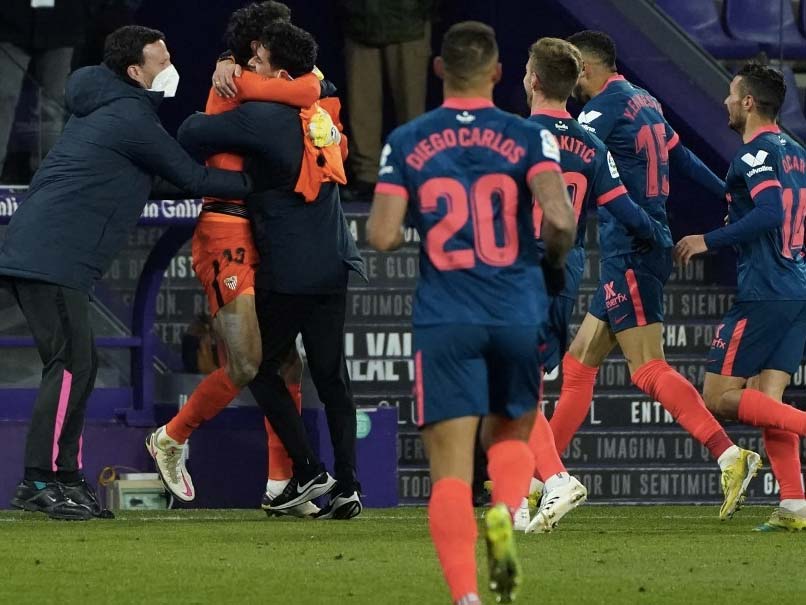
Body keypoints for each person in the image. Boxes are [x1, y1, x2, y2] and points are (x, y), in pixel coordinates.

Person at [0, 25, 253, 521]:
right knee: (72, 365)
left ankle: (64, 478)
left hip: (49, 253)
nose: (171, 66)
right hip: (50, 256)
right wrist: (265, 185)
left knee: (79, 365)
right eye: (161, 60)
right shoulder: (130, 115)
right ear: (135, 72)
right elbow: (192, 177)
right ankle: (38, 480)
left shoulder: (109, 105)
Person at [368, 21, 576, 605]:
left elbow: (382, 235)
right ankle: (506, 511)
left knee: (451, 471)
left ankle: (466, 598)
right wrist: (551, 268)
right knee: (512, 431)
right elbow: (559, 220)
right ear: (498, 73)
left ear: (439, 71)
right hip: (516, 308)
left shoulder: (408, 139)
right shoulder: (530, 136)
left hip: (446, 316)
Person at [543, 30, 761, 520]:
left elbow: (573, 162)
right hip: (640, 245)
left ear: (585, 69)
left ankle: (729, 455)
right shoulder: (645, 99)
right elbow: (681, 158)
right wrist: (730, 194)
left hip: (633, 247)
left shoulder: (598, 111)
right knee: (579, 364)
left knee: (647, 367)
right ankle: (545, 476)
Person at [145, 0, 343, 519]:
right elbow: (307, 88)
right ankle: (171, 436)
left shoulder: (267, 79)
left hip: (255, 227)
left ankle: (282, 484)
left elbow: (313, 85)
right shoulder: (232, 83)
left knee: (283, 359)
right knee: (248, 360)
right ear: (258, 48)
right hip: (224, 228)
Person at [519, 37, 666, 533]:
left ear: (534, 80)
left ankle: (555, 479)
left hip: (521, 270)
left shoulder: (516, 138)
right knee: (528, 383)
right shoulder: (592, 144)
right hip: (568, 270)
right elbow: (623, 205)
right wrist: (658, 235)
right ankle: (521, 498)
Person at [676, 63, 806, 532]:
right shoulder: (795, 153)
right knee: (768, 399)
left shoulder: (754, 155)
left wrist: (708, 239)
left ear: (749, 101)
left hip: (765, 292)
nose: (726, 101)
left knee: (719, 395)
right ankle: (794, 506)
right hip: (796, 287)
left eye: (732, 94)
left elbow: (770, 212)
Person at [338, 0, 434, 199]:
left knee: (412, 110)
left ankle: (413, 173)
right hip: (360, 21)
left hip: (410, 22)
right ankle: (366, 176)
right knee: (361, 106)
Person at [0, 0, 85, 182]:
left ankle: (48, 183)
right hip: (8, 24)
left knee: (52, 105)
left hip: (62, 24)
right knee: (3, 99)